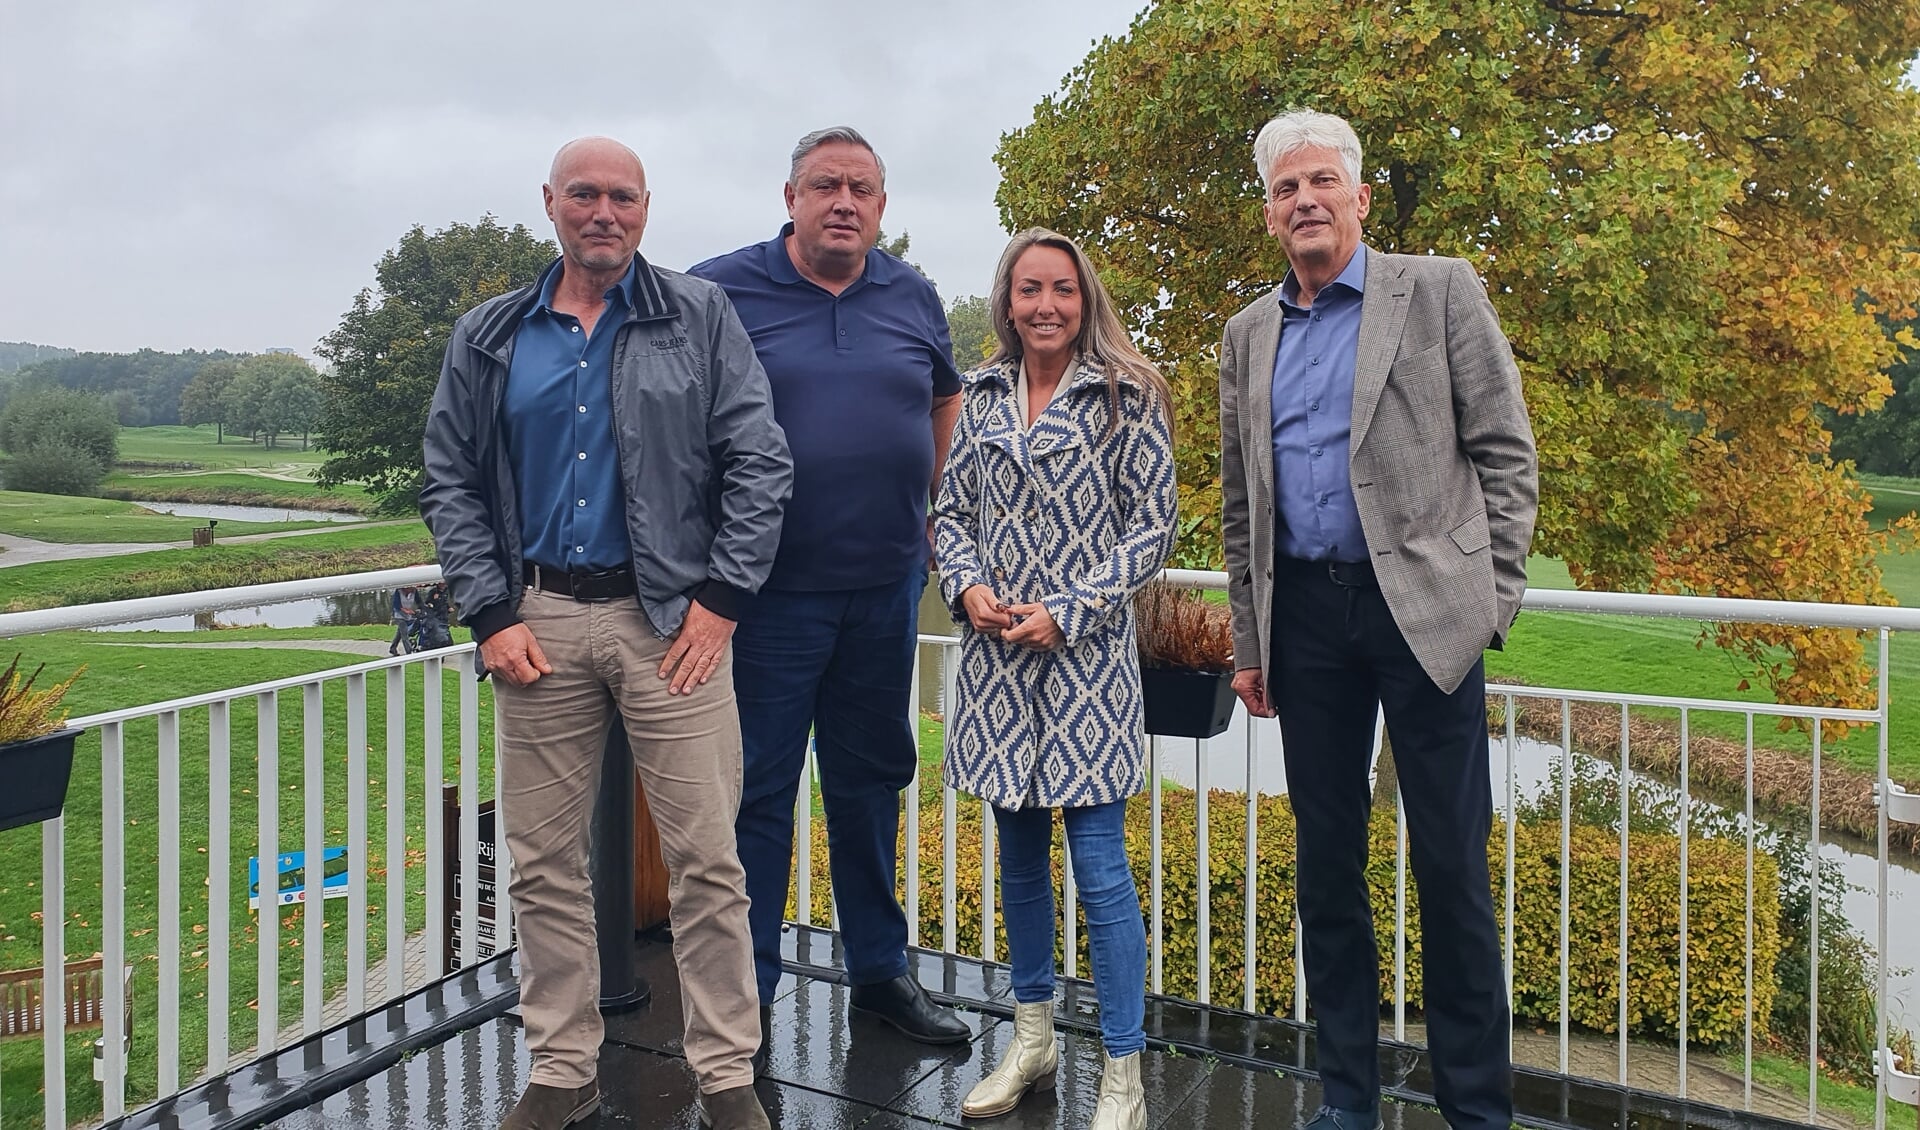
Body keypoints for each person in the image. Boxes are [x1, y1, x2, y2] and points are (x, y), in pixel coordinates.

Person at [420, 136, 790, 1130]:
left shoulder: (699, 317)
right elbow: (448, 477)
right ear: (549, 202)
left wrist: (721, 600)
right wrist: (489, 610)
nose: (604, 212)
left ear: (646, 207)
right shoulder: (491, 334)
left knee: (710, 858)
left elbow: (761, 463)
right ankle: (563, 1066)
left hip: (671, 621)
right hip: (536, 620)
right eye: (584, 194)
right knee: (543, 859)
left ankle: (725, 1074)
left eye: (622, 196)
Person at [1217, 109, 1538, 1130]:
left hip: (1425, 615)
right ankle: (1346, 1099)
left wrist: (1491, 598)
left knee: (1449, 862)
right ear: (1268, 213)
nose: (1305, 199)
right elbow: (1241, 504)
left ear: (1358, 196)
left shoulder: (1436, 290)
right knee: (1327, 866)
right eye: (1285, 188)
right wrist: (1252, 641)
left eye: (1321, 181)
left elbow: (1505, 450)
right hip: (1306, 617)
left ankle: (1477, 1110)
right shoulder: (1247, 334)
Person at [689, 127, 967, 1052]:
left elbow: (942, 396)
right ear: (790, 196)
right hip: (763, 595)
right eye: (825, 186)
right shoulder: (720, 288)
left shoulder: (910, 292)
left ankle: (880, 976)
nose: (843, 202)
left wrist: (937, 507)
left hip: (885, 587)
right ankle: (750, 995)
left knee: (870, 786)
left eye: (862, 189)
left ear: (881, 207)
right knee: (759, 791)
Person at [933, 228, 1178, 1130]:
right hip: (997, 666)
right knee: (1021, 864)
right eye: (1029, 289)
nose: (1046, 306)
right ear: (1007, 298)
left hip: (1087, 668)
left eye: (1062, 291)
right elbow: (951, 510)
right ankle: (1031, 1040)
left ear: (1086, 298)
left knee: (1102, 870)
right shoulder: (983, 391)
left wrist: (1071, 608)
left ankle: (1123, 1073)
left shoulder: (1128, 395)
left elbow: (1154, 527)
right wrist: (965, 582)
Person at [387, 585, 420, 655]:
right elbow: (396, 605)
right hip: (399, 615)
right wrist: (406, 611)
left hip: (408, 616)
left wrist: (423, 608)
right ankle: (409, 652)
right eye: (409, 589)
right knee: (405, 634)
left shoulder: (414, 591)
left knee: (400, 633)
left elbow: (419, 601)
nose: (411, 590)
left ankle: (392, 648)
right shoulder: (398, 592)